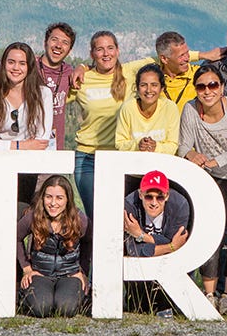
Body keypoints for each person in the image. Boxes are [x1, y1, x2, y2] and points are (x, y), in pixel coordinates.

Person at [178, 63, 227, 315]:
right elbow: (184, 145)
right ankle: (209, 294)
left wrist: (215, 160)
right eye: (201, 87)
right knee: (212, 235)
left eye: (213, 85)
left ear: (222, 88)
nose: (207, 91)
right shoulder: (190, 109)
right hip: (213, 180)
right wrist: (192, 154)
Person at [69, 30, 131, 218]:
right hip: (87, 157)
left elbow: (163, 58)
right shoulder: (82, 79)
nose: (106, 54)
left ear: (118, 51)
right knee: (95, 217)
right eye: (100, 49)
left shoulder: (130, 73)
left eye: (110, 48)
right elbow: (52, 100)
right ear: (92, 54)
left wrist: (202, 55)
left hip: (119, 156)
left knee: (118, 217)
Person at [16, 175, 90, 317]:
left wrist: (83, 271)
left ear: (68, 199)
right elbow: (16, 238)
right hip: (40, 273)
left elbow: (89, 242)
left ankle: (75, 298)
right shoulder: (34, 216)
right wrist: (26, 268)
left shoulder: (79, 219)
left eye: (59, 198)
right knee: (41, 308)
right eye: (48, 197)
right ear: (42, 198)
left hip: (69, 274)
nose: (53, 203)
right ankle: (26, 297)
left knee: (66, 309)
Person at [122, 170, 191, 313]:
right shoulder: (129, 205)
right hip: (139, 274)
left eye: (160, 197)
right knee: (139, 308)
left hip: (171, 267)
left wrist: (141, 235)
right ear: (140, 194)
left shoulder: (180, 204)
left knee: (171, 309)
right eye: (149, 197)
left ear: (167, 196)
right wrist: (171, 246)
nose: (154, 203)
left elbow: (180, 244)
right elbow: (135, 251)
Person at [0, 42, 54, 150]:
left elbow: (42, 140)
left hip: (32, 157)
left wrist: (1, 145)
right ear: (4, 64)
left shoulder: (43, 94)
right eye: (11, 62)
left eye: (22, 63)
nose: (16, 68)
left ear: (29, 67)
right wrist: (19, 146)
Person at [115, 64, 181, 155]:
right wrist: (137, 145)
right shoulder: (127, 108)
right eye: (143, 85)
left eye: (154, 85)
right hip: (134, 160)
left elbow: (173, 145)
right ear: (137, 88)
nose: (149, 90)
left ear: (162, 88)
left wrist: (156, 147)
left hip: (162, 161)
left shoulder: (170, 108)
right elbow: (119, 143)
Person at [37, 22, 76, 149]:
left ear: (69, 50)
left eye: (65, 42)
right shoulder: (29, 67)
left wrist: (82, 67)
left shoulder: (70, 73)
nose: (58, 45)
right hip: (28, 143)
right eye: (54, 39)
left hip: (55, 146)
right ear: (45, 42)